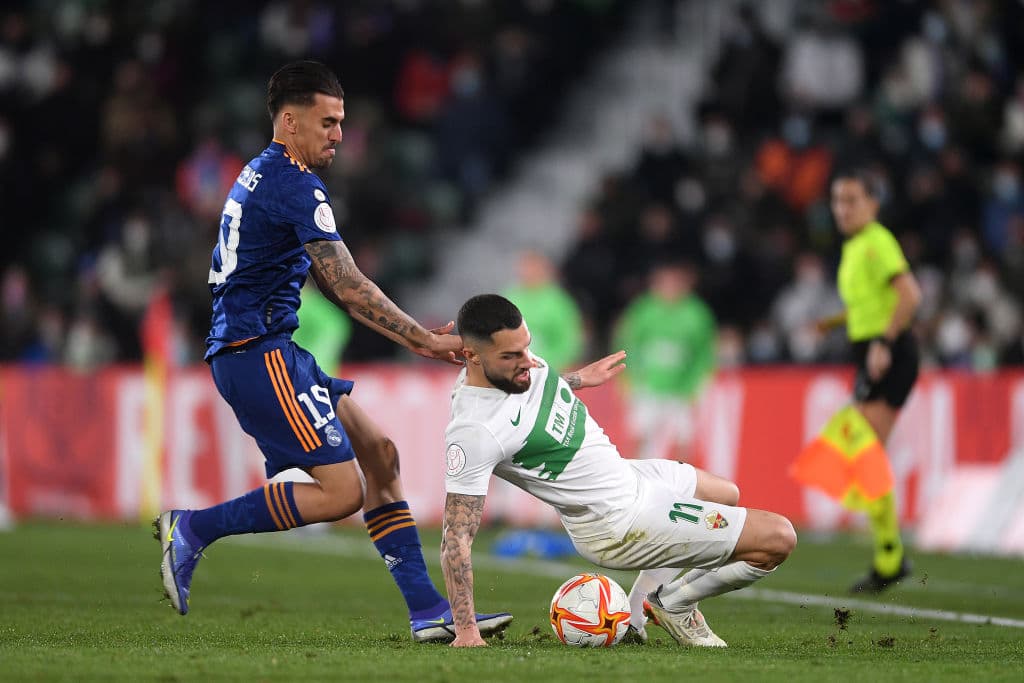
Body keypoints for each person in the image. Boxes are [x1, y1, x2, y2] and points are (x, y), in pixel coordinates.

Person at [154, 61, 511, 643]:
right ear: (290, 122)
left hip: (271, 348)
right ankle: (192, 528)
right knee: (343, 491)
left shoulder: (263, 173)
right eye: (328, 121)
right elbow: (347, 285)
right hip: (256, 353)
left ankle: (427, 611)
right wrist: (424, 339)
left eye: (341, 122)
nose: (339, 134)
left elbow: (324, 277)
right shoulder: (293, 184)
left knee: (381, 455)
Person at [440, 294, 796, 648]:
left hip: (630, 478)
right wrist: (467, 631)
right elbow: (455, 540)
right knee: (779, 538)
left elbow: (530, 392)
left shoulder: (508, 370)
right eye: (511, 356)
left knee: (725, 494)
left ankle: (639, 615)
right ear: (471, 356)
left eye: (527, 348)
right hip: (617, 521)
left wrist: (578, 379)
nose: (528, 362)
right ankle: (676, 603)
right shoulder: (475, 431)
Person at [791, 168, 922, 593]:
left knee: (864, 451)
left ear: (873, 204)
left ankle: (890, 555)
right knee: (864, 453)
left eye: (852, 200)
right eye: (837, 200)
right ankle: (889, 554)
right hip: (871, 351)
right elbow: (869, 303)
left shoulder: (877, 242)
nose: (842, 209)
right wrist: (830, 324)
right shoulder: (854, 247)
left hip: (890, 352)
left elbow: (909, 294)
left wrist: (884, 342)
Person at [613, 259, 716, 461]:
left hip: (681, 390)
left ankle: (682, 488)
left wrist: (695, 385)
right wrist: (631, 379)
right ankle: (632, 482)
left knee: (684, 439)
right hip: (648, 386)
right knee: (639, 436)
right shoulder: (644, 311)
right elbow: (627, 344)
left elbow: (704, 353)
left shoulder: (696, 314)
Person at [502, 249, 584, 372]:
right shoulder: (510, 297)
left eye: (533, 266)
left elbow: (570, 341)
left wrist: (550, 366)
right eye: (525, 266)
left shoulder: (558, 302)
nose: (528, 271)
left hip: (547, 371)